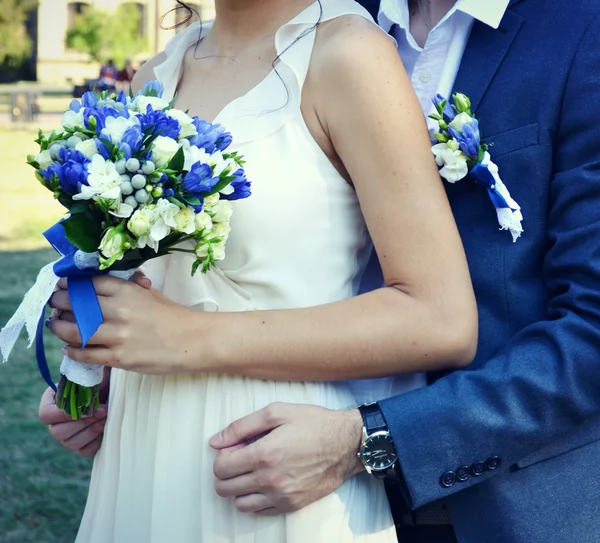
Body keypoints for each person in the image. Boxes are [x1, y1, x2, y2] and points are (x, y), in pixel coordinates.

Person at [157, 1, 599, 542]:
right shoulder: (317, 23)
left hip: (506, 506)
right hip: (281, 483)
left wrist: (368, 441)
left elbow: (592, 328)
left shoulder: (582, 29)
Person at [40, 0, 478, 541]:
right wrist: (97, 371)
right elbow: (152, 279)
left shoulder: (348, 55)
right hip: (139, 453)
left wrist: (187, 337)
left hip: (271, 461)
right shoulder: (157, 74)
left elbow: (440, 318)